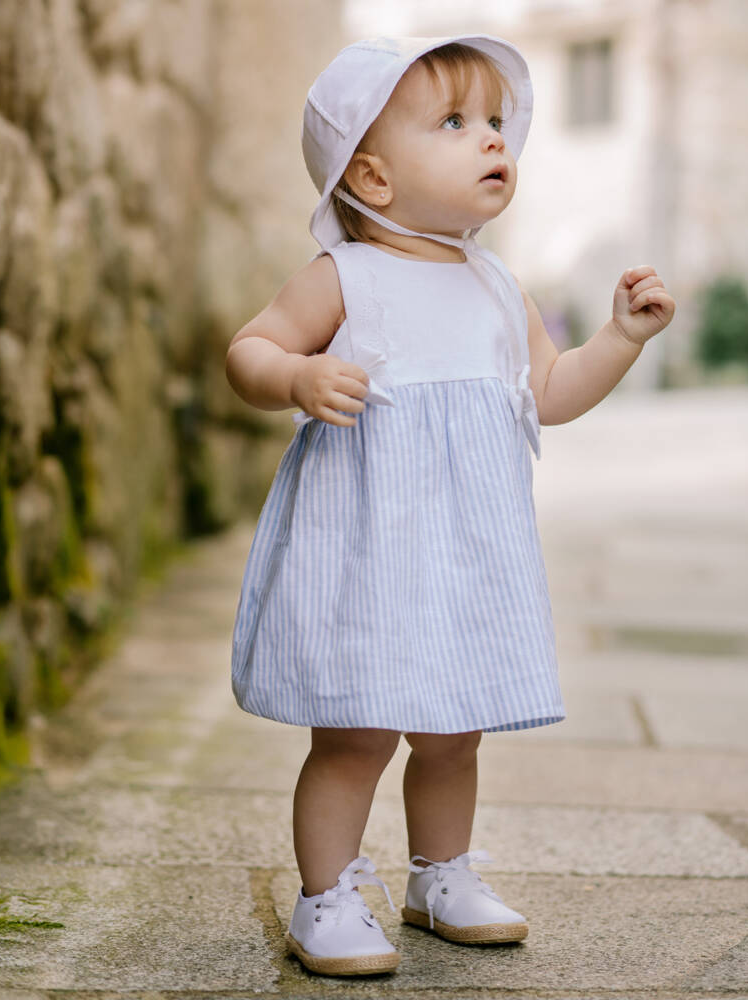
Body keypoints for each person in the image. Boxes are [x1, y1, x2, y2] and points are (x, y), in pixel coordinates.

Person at [224, 34, 675, 977]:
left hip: (466, 551)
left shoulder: (498, 287)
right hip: (366, 550)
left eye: (498, 123)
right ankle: (329, 895)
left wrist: (619, 340)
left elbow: (546, 394)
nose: (491, 141)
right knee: (356, 731)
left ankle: (442, 874)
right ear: (374, 178)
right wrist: (298, 374)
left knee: (452, 729)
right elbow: (250, 351)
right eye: (457, 123)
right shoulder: (345, 277)